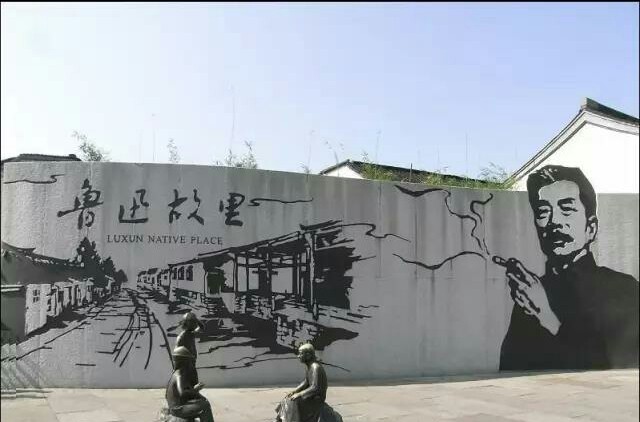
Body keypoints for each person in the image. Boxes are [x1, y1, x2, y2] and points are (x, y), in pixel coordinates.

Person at [496, 165, 639, 370]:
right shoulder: (530, 295)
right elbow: (511, 367)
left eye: (567, 209)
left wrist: (545, 315)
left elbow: (607, 363)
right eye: (543, 211)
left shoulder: (623, 288)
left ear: (591, 228)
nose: (554, 221)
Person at [274, 343, 342, 422]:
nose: (298, 356)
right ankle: (281, 420)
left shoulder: (315, 367)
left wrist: (300, 394)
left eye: (301, 354)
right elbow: (306, 382)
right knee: (288, 398)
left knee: (292, 402)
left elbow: (315, 387)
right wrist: (295, 391)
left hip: (316, 398)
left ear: (308, 355)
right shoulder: (309, 366)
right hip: (310, 395)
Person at [165, 346, 215, 422]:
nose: (190, 363)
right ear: (185, 362)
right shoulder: (179, 375)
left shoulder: (177, 373)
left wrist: (196, 393)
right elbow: (182, 392)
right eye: (189, 361)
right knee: (205, 406)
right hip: (178, 409)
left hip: (177, 407)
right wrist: (195, 390)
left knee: (202, 401)